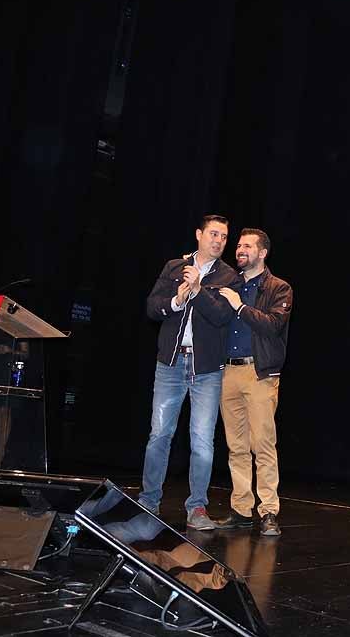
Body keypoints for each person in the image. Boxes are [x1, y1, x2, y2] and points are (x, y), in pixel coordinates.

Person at [140, 214, 242, 529]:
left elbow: (223, 317)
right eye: (213, 234)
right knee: (159, 434)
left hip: (207, 369)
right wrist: (176, 299)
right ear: (199, 234)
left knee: (202, 440)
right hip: (170, 363)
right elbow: (152, 307)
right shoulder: (174, 267)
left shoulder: (229, 277)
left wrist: (197, 291)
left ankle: (197, 508)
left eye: (224, 237)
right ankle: (148, 501)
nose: (219, 241)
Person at [212, 228, 293, 537]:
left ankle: (269, 511)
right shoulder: (229, 283)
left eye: (247, 246)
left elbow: (273, 326)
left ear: (263, 253)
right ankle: (241, 509)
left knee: (262, 444)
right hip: (227, 372)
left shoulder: (279, 288)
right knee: (236, 446)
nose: (240, 249)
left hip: (259, 374)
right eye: (239, 245)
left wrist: (240, 306)